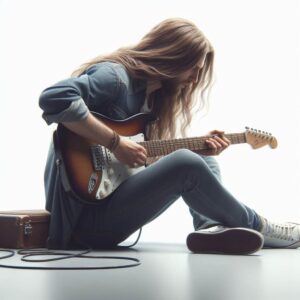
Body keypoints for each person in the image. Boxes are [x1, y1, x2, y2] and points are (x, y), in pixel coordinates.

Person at [39, 18, 300, 254]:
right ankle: (260, 225)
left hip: (110, 211)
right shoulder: (115, 77)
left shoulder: (150, 102)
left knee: (203, 161)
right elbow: (53, 98)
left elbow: (126, 167)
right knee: (186, 162)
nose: (195, 79)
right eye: (193, 69)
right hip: (84, 224)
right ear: (173, 57)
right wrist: (116, 143)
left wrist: (200, 150)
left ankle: (212, 230)